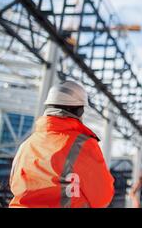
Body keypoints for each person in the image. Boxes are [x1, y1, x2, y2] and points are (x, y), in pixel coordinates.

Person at [9, 80, 114, 208]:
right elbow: (102, 196)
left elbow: (14, 184)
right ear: (79, 111)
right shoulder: (82, 144)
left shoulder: (25, 146)